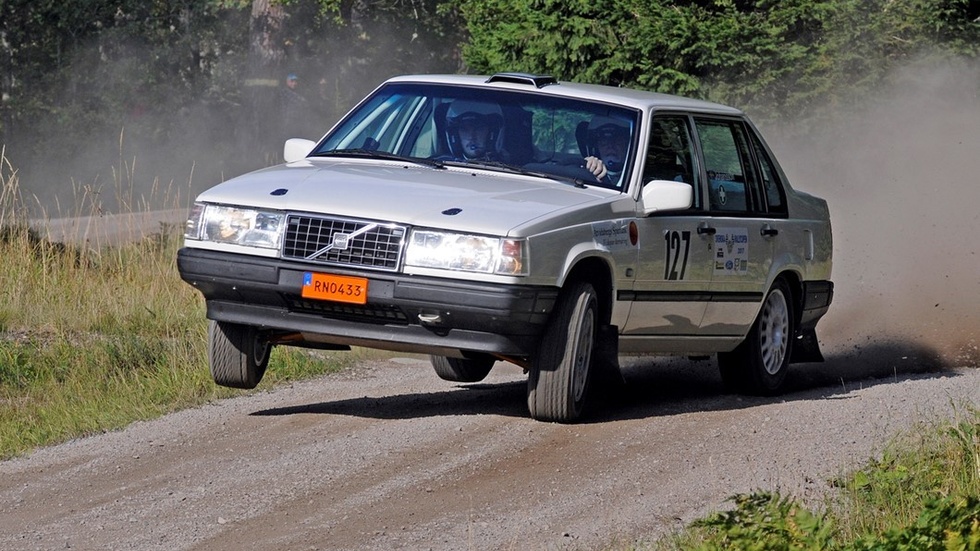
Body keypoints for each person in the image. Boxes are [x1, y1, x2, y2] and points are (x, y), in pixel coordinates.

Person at [442, 99, 506, 161]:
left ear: (491, 133)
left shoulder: (509, 169)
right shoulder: (440, 165)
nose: (471, 136)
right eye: (465, 130)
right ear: (455, 135)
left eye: (479, 129)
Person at [583, 116, 630, 184]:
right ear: (596, 147)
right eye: (604, 141)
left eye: (617, 140)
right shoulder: (587, 172)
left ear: (627, 144)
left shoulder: (637, 175)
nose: (610, 146)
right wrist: (588, 166)